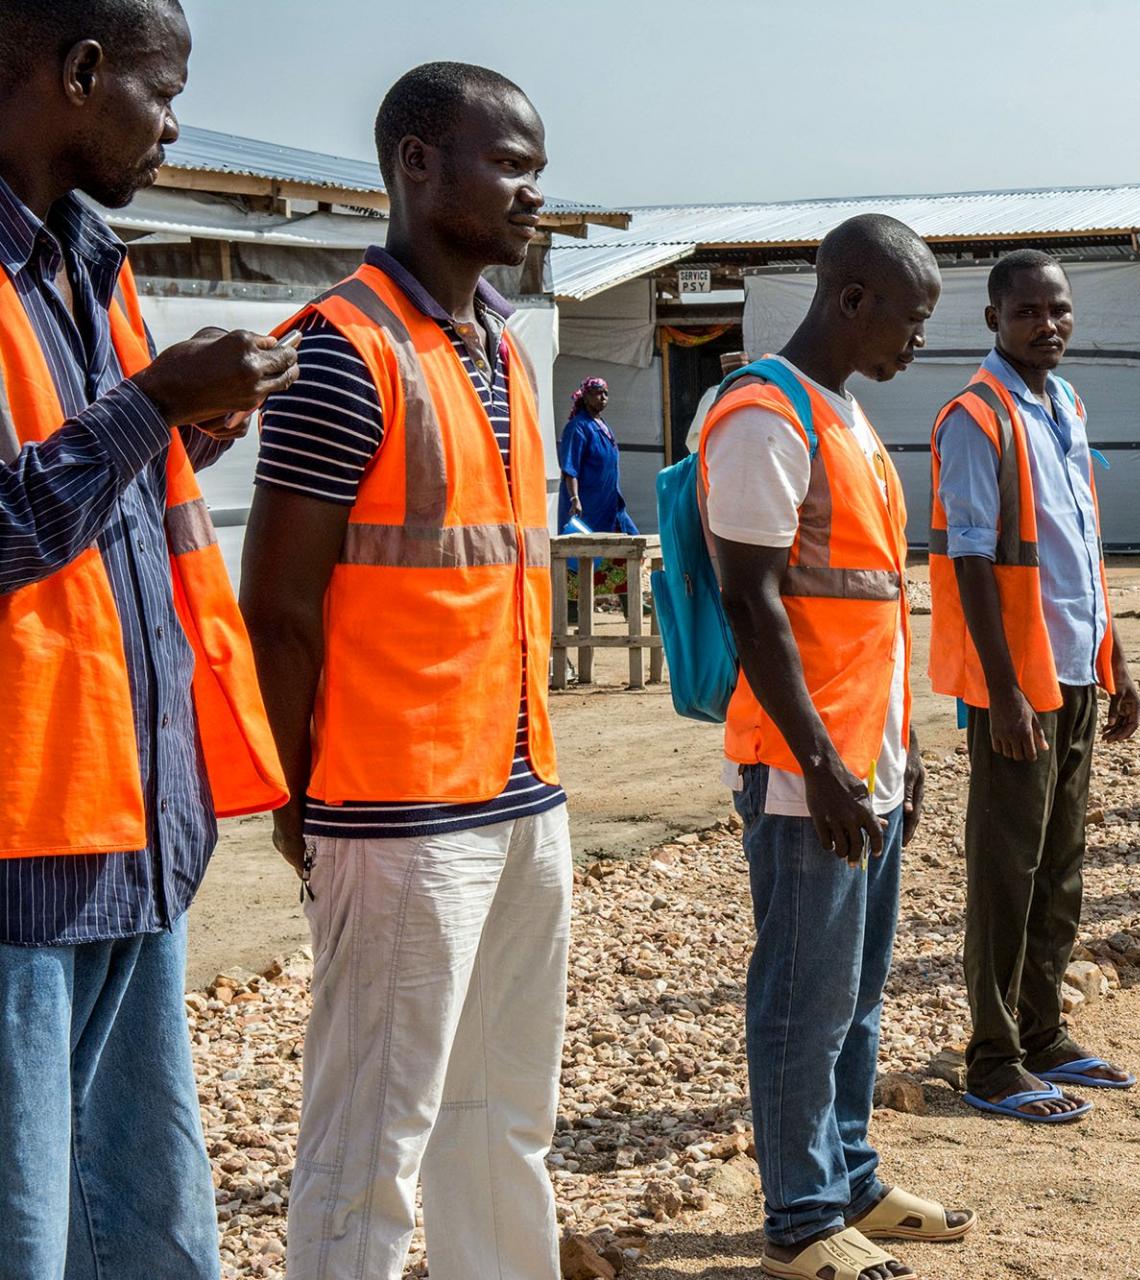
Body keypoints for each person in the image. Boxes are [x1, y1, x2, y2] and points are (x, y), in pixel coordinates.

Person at [242, 63, 572, 1280]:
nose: (535, 192)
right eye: (512, 164)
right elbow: (275, 608)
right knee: (369, 1140)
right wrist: (297, 801)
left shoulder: (503, 353)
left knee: (503, 1125)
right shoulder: (342, 351)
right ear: (416, 166)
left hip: (522, 795)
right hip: (394, 813)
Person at [0, 1, 301, 1273]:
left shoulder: (91, 262)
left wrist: (176, 425)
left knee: (145, 1215)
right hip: (21, 851)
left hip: (130, 819)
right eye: (160, 91)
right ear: (80, 73)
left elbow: (92, 485)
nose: (175, 125)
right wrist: (152, 402)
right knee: (28, 1225)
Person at [701, 214, 974, 1280]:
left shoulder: (845, 417)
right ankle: (801, 1217)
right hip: (804, 764)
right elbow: (752, 603)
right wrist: (819, 764)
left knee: (857, 992)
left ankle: (850, 1173)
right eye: (909, 318)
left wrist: (887, 763)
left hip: (870, 756)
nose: (916, 340)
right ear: (852, 299)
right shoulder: (765, 415)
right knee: (800, 998)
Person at [929, 249, 1140, 1124]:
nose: (1046, 326)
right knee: (1006, 870)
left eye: (1058, 311)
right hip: (1018, 682)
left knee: (1061, 862)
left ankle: (1045, 1028)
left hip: (1076, 664)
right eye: (1027, 313)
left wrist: (1116, 657)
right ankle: (992, 1055)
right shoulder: (977, 416)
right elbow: (971, 556)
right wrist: (1006, 688)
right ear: (992, 320)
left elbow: (1078, 551)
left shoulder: (1066, 404)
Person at [558, 375, 638, 532]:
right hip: (588, 506)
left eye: (606, 393)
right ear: (586, 396)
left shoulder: (603, 426)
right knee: (590, 551)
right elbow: (570, 468)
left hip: (610, 503)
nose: (603, 397)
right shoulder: (578, 427)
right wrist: (575, 499)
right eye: (598, 393)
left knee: (633, 542)